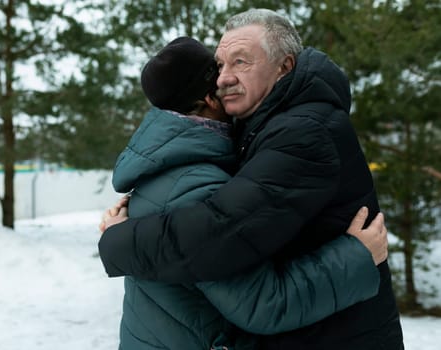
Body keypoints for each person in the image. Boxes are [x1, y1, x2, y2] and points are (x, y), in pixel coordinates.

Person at [104, 36, 391, 350]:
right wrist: (356, 259)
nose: (230, 81)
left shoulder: (170, 165)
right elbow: (262, 304)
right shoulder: (194, 184)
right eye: (221, 76)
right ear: (210, 99)